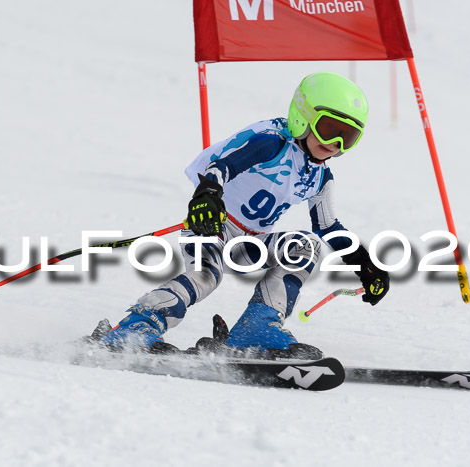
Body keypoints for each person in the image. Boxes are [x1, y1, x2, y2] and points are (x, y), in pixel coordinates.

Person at [98, 72, 390, 356]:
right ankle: (135, 327)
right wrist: (207, 196)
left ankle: (257, 329)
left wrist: (365, 263)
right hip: (213, 226)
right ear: (304, 115)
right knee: (205, 277)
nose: (335, 144)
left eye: (348, 137)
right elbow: (221, 168)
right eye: (329, 129)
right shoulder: (272, 143)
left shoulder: (320, 176)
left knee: (306, 246)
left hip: (249, 244)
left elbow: (327, 226)